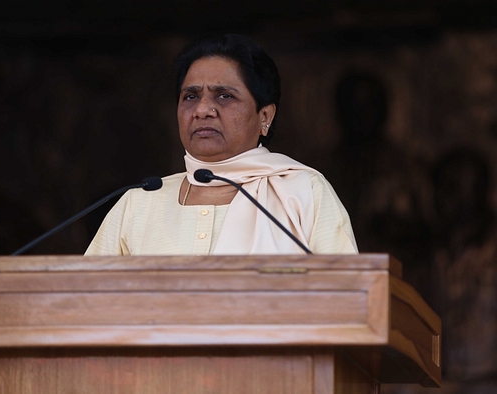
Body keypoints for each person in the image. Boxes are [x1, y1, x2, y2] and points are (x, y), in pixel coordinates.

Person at [85, 34, 357, 256]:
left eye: (224, 96)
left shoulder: (303, 192)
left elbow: (351, 296)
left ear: (265, 116)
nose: (202, 109)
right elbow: (84, 300)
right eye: (190, 96)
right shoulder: (140, 202)